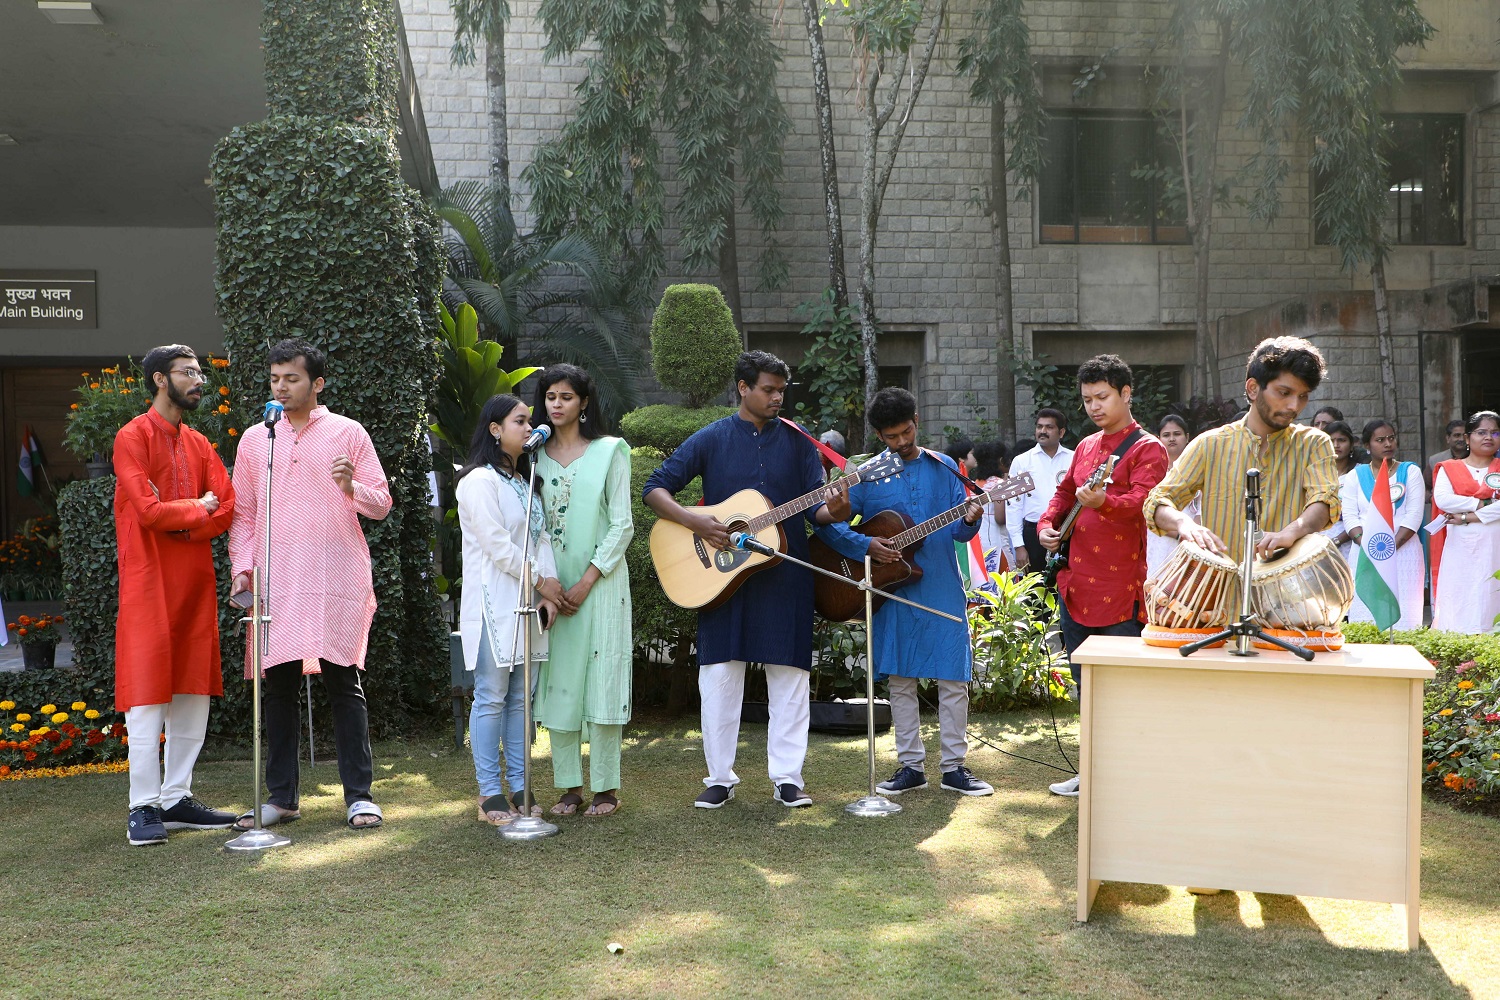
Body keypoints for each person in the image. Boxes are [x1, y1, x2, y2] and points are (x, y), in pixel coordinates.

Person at [644, 351, 851, 809]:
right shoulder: (711, 438)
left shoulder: (799, 443)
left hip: (785, 575)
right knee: (719, 675)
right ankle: (719, 777)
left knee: (790, 676)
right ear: (743, 388)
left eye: (782, 390)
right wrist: (696, 522)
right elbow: (655, 488)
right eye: (768, 389)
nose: (778, 397)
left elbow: (814, 509)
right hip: (720, 577)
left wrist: (834, 510)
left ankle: (788, 779)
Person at [228, 339, 391, 831]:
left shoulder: (348, 433)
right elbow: (242, 514)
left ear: (317, 383)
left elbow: (381, 503)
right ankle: (281, 798)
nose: (280, 386)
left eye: (291, 378)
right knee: (276, 687)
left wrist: (350, 488)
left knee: (345, 683)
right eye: (275, 378)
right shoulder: (257, 439)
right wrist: (243, 566)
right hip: (276, 578)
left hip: (334, 573)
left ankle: (359, 797)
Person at [815, 388, 993, 797]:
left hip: (941, 583)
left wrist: (970, 518)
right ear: (879, 435)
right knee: (900, 677)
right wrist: (865, 546)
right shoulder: (868, 474)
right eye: (892, 436)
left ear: (917, 420)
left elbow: (960, 532)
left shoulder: (945, 466)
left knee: (952, 678)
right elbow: (829, 523)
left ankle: (954, 768)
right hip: (890, 587)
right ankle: (909, 766)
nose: (902, 441)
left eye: (907, 431)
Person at [113, 344, 237, 846]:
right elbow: (146, 510)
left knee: (192, 693)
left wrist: (184, 519)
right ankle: (142, 807)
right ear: (160, 380)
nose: (198, 379)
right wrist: (197, 508)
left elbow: (226, 507)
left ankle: (177, 798)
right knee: (145, 698)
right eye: (188, 372)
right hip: (148, 583)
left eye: (199, 372)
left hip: (194, 582)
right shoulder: (132, 437)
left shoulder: (200, 444)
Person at [1040, 356, 1169, 796]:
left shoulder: (1148, 448)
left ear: (1126, 393)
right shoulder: (1085, 446)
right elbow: (1061, 493)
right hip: (1075, 582)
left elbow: (1144, 502)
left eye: (1102, 397)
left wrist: (1103, 503)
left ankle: (1131, 776)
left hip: (1120, 590)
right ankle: (1093, 771)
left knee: (1124, 689)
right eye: (1087, 400)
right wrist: (1047, 527)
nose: (1093, 407)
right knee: (1085, 685)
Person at [1146, 336, 1341, 598]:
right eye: (1284, 393)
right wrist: (1185, 524)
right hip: (1217, 603)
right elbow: (1157, 502)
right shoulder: (1210, 444)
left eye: (1303, 396)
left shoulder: (1313, 444)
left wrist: (1292, 532)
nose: (1294, 406)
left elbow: (1325, 501)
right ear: (1252, 388)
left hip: (1288, 603)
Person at [529, 365, 634, 817]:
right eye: (550, 396)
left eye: (566, 397)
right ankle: (569, 785)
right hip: (552, 587)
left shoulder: (611, 451)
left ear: (584, 403)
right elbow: (530, 527)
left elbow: (623, 523)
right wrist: (548, 588)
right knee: (561, 683)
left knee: (604, 678)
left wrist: (588, 580)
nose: (556, 404)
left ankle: (607, 788)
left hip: (602, 584)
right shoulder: (532, 457)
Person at [456, 394, 563, 824]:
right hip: (494, 600)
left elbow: (541, 540)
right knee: (491, 696)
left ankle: (520, 785)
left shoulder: (526, 482)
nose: (529, 427)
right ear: (495, 429)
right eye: (520, 421)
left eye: (529, 421)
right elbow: (497, 545)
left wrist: (547, 594)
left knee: (522, 698)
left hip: (529, 601)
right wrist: (540, 580)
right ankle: (489, 793)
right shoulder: (477, 482)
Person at [1340, 419, 1425, 631]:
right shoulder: (1355, 477)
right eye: (1380, 440)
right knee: (1366, 613)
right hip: (1364, 554)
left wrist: (1388, 548)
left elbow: (1414, 515)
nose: (1388, 444)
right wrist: (1368, 546)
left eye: (1391, 438)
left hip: (1403, 552)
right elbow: (1350, 517)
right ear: (1367, 446)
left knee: (1404, 610)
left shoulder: (1410, 472)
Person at [1431, 411, 1500, 634]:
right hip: (1460, 547)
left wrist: (1465, 516)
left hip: (1495, 545)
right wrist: (1484, 504)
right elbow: (1443, 499)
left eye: (1495, 432)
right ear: (1468, 439)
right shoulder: (1449, 468)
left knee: (1492, 592)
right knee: (1462, 593)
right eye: (1482, 432)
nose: (1489, 437)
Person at [1007, 409, 1073, 575]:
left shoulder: (1073, 458)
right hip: (1032, 535)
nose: (1042, 431)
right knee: (1034, 594)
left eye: (1049, 427)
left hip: (1068, 531)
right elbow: (1013, 505)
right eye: (1039, 427)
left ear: (1061, 432)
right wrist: (1019, 546)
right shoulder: (1022, 461)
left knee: (1068, 590)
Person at [1145, 414, 1197, 580]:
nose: (1172, 439)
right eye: (1166, 435)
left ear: (1187, 437)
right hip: (1160, 541)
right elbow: (1147, 511)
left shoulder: (1196, 471)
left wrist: (1192, 537)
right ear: (1158, 438)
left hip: (1192, 544)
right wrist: (1178, 534)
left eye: (1177, 434)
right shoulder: (1151, 473)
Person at [972, 441, 1013, 582]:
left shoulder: (973, 485)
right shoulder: (999, 485)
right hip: (996, 544)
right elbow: (1000, 518)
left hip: (976, 546)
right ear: (1001, 461)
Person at [1321, 420, 1357, 559]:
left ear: (1351, 444)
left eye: (1341, 440)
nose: (1336, 445)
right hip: (1319, 543)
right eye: (1331, 441)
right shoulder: (1315, 474)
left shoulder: (1361, 473)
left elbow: (1365, 515)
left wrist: (1337, 541)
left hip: (1351, 541)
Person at [1426, 419, 1469, 488]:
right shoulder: (1435, 460)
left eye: (1464, 436)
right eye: (1457, 435)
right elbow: (1427, 487)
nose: (1461, 439)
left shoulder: (1477, 458)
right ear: (1448, 438)